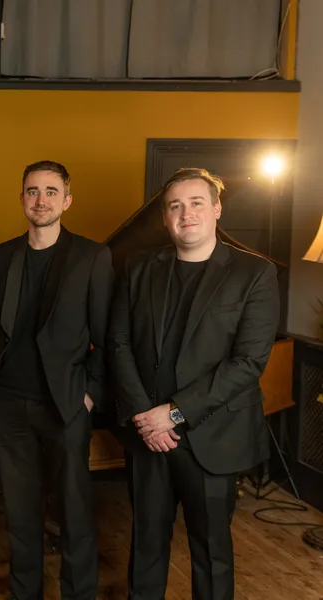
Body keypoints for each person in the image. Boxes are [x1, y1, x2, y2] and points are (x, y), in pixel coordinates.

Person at [108, 168, 280, 600]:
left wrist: (175, 413)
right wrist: (145, 417)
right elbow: (119, 341)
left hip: (212, 434)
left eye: (197, 202)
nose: (186, 214)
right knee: (146, 545)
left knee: (211, 550)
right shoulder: (140, 267)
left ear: (217, 209)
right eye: (175, 206)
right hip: (148, 432)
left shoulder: (255, 273)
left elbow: (248, 361)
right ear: (165, 218)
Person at [0, 161, 114, 600]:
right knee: (20, 515)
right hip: (9, 403)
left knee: (74, 512)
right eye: (32, 191)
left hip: (66, 403)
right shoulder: (1, 255)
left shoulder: (93, 256)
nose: (41, 200)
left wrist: (90, 395)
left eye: (51, 191)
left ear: (66, 200)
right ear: (22, 199)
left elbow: (107, 335)